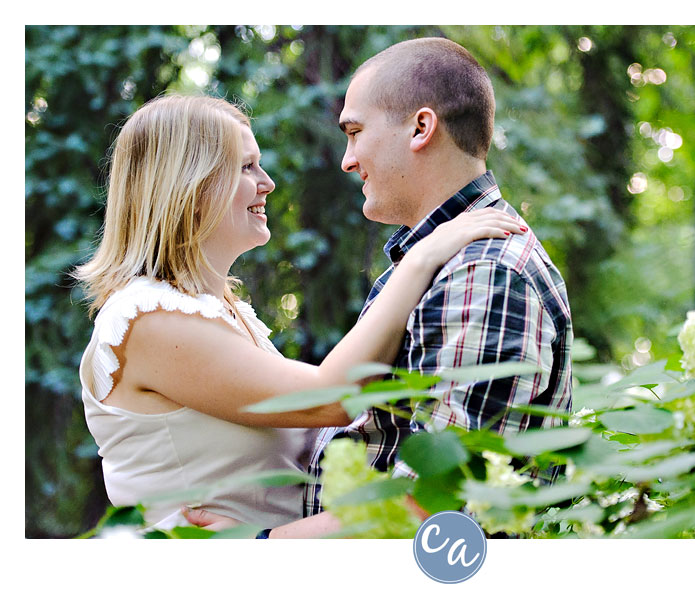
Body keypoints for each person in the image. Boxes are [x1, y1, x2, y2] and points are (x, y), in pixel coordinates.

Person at [74, 93, 525, 530]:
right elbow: (330, 400)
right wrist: (423, 259)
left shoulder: (220, 313)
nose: (267, 183)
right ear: (189, 185)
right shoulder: (146, 321)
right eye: (246, 167)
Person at [187, 37, 573, 538]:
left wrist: (260, 549)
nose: (347, 160)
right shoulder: (436, 262)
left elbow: (440, 503)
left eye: (355, 131)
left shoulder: (485, 272)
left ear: (420, 128)